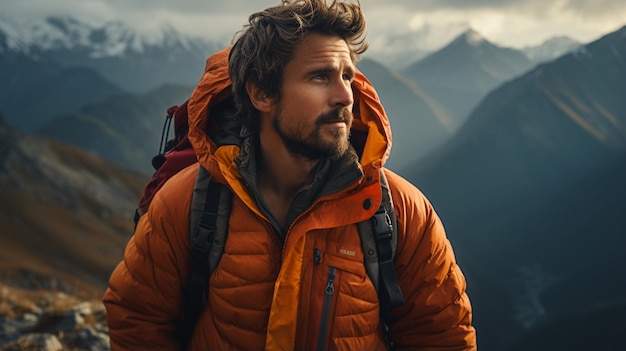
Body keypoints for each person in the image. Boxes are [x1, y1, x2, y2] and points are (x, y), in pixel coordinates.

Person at [103, 0, 477, 349]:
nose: (346, 96)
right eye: (320, 78)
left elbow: (441, 337)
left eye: (347, 77)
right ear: (262, 94)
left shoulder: (399, 211)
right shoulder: (188, 202)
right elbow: (138, 322)